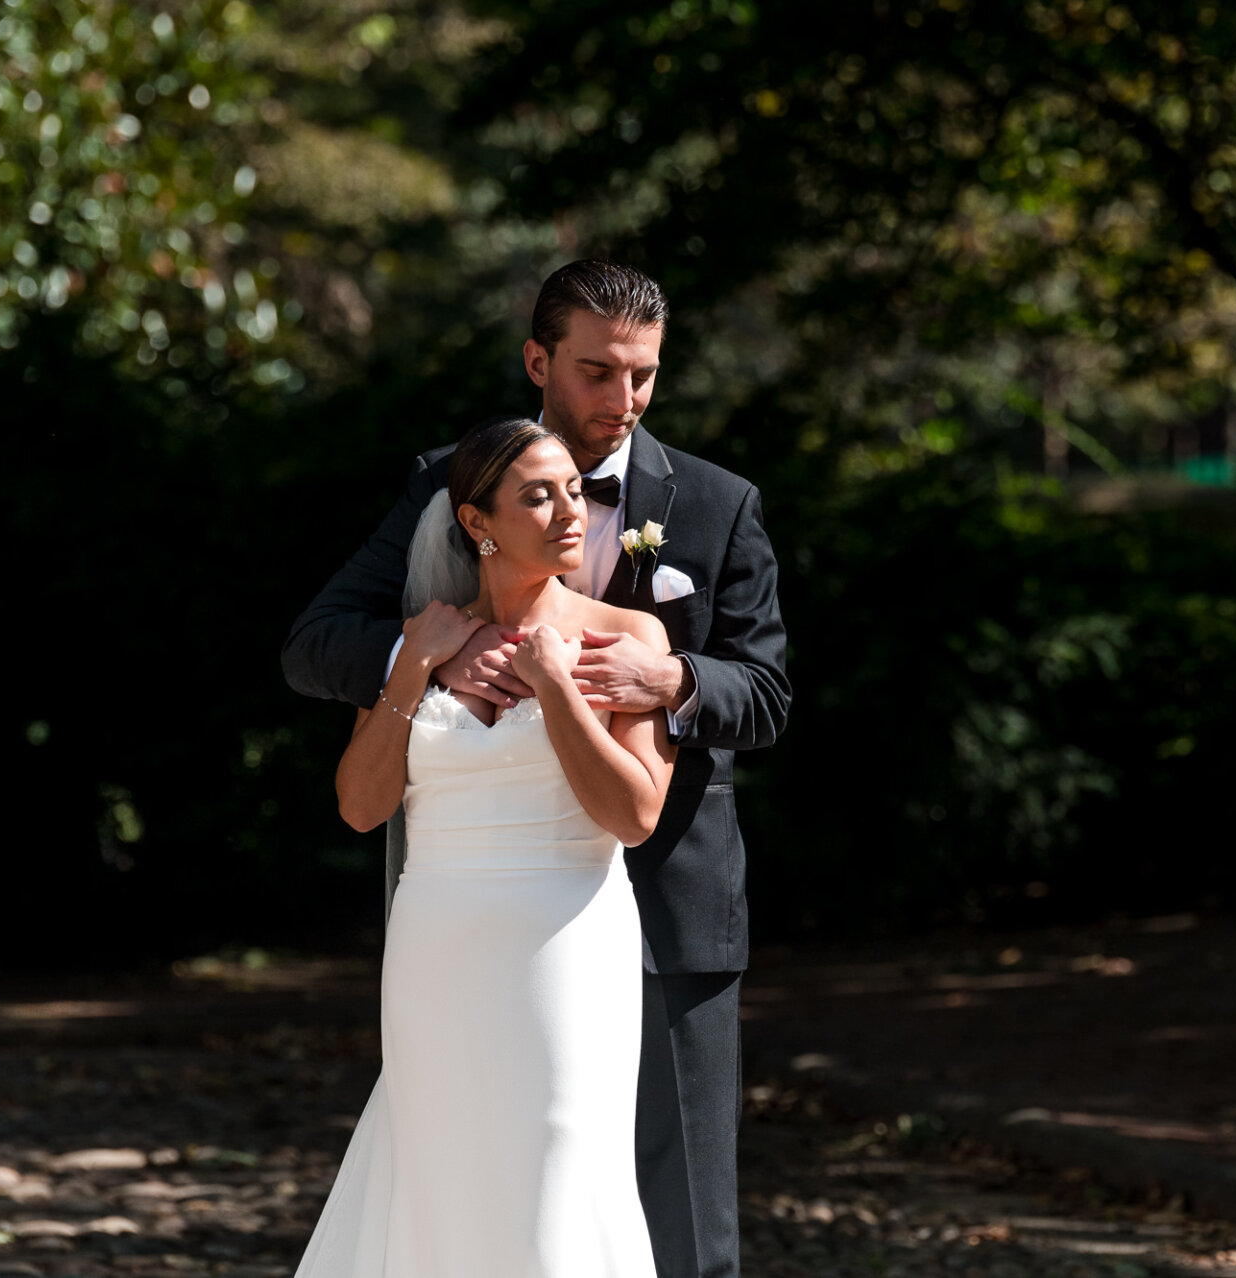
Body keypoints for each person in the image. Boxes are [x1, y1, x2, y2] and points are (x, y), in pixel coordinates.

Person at [281, 260, 790, 1278]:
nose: (625, 400)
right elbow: (316, 641)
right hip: (473, 915)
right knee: (479, 1181)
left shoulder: (721, 505)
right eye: (598, 373)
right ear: (537, 361)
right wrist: (424, 656)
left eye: (643, 376)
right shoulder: (452, 480)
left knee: (687, 1224)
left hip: (666, 897)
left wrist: (673, 674)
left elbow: (766, 696)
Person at [298, 418, 670, 1276]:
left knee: (558, 1153)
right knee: (440, 1162)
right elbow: (361, 806)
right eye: (538, 496)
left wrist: (555, 684)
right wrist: (408, 671)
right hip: (436, 945)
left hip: (567, 940)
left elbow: (635, 814)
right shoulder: (420, 637)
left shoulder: (626, 636)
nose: (569, 513)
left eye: (573, 491)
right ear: (477, 524)